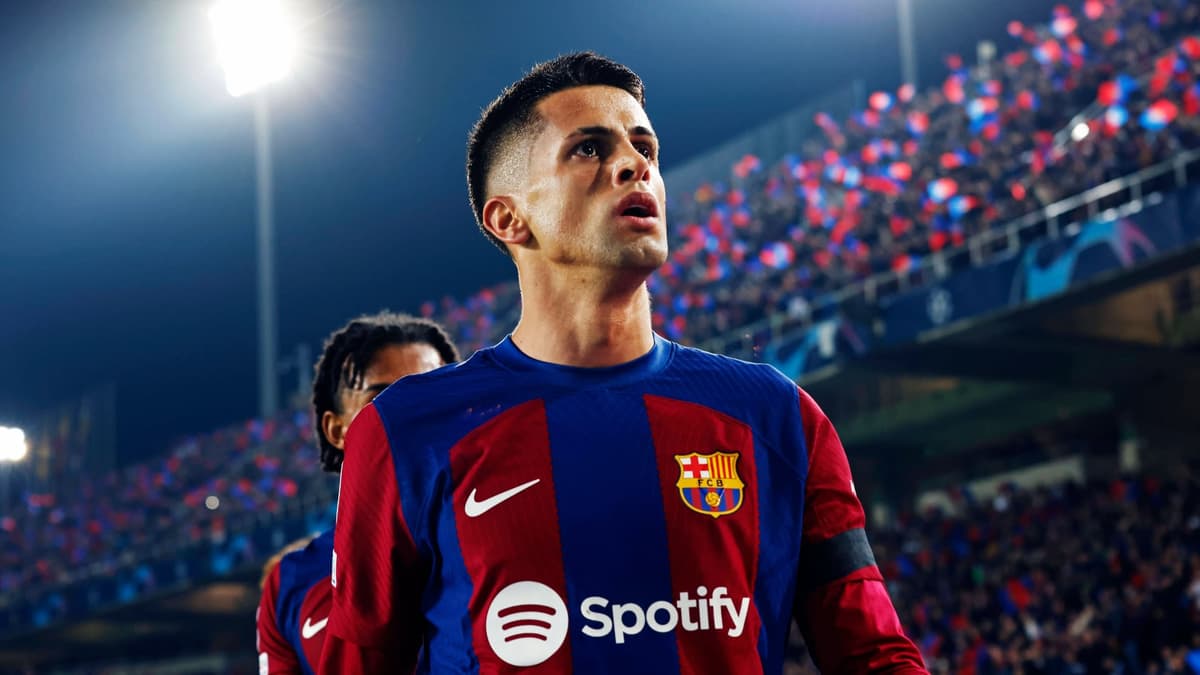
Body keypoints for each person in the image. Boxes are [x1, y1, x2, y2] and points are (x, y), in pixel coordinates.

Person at [323, 52, 927, 674]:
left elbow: (874, 656)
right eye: (588, 148)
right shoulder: (406, 430)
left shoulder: (777, 417)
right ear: (509, 218)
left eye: (645, 148)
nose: (635, 165)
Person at [256, 312, 458, 674]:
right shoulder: (291, 581)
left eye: (432, 396)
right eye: (383, 401)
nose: (413, 417)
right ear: (336, 430)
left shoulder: (507, 531)